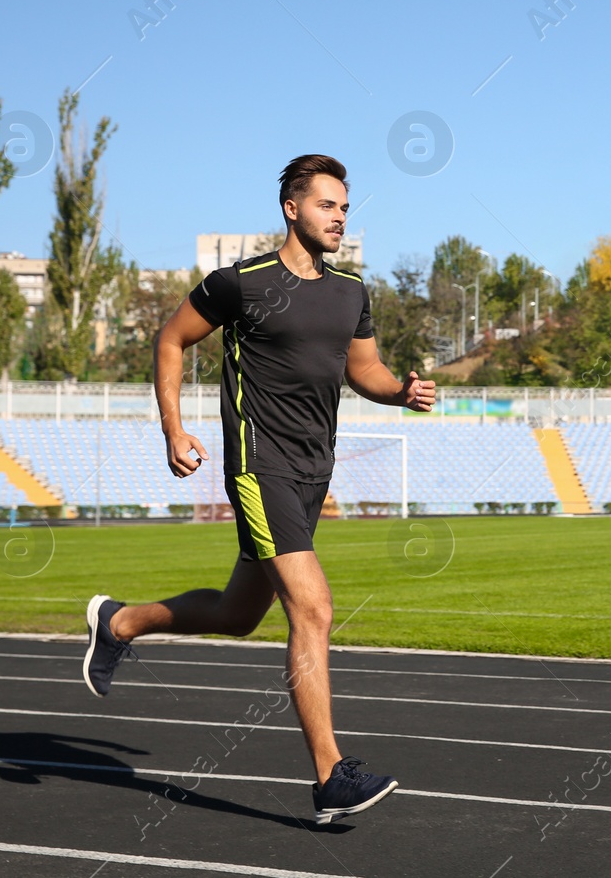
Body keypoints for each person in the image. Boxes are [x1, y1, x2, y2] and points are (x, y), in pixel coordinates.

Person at [81, 154, 435, 824]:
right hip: (258, 466)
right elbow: (171, 338)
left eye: (346, 207)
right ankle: (331, 775)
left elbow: (366, 369)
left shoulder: (351, 292)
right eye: (328, 204)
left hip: (312, 472)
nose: (339, 216)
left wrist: (402, 391)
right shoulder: (239, 283)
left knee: (238, 613)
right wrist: (173, 428)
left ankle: (119, 620)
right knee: (314, 606)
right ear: (291, 208)